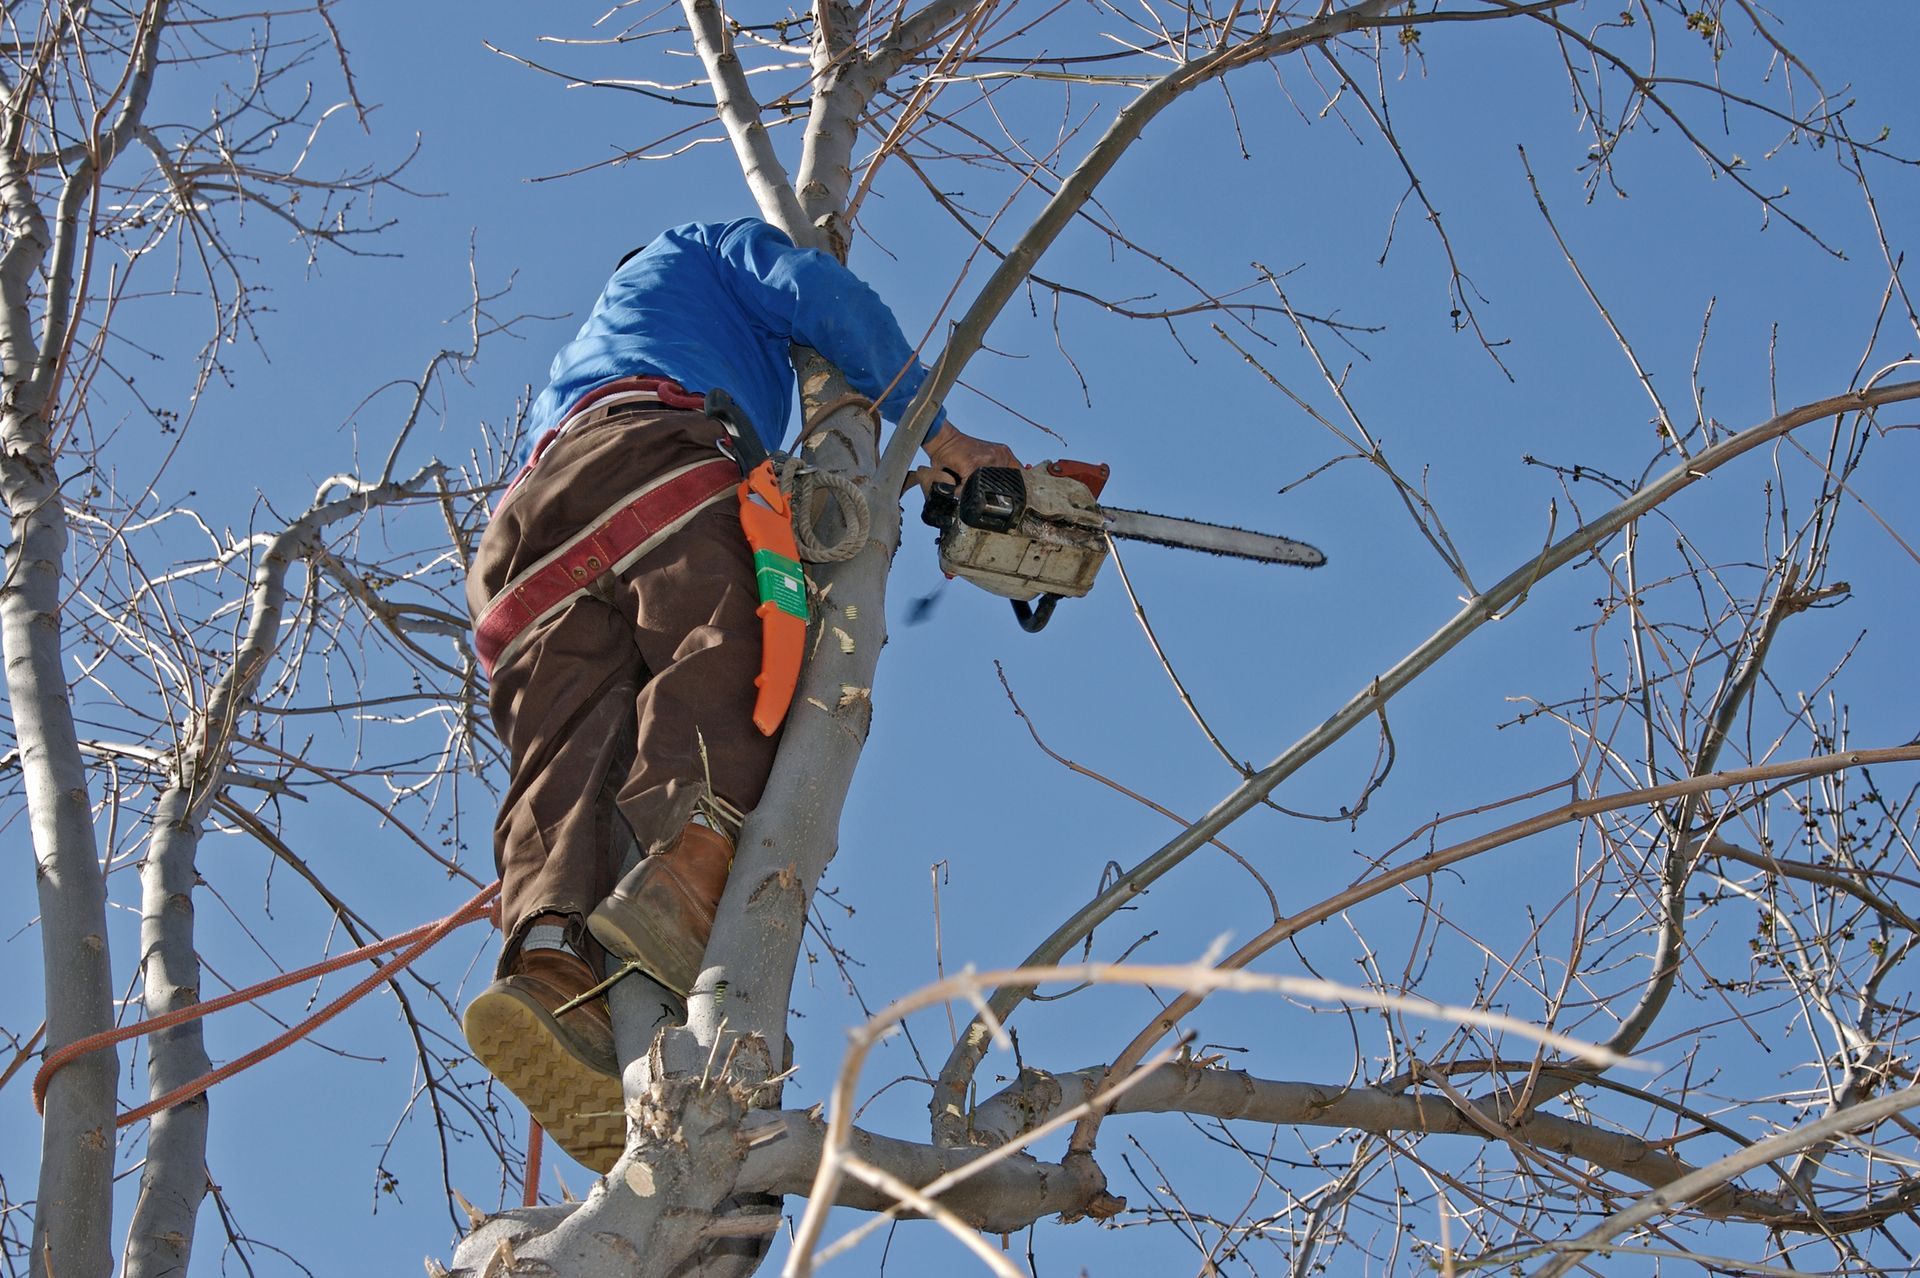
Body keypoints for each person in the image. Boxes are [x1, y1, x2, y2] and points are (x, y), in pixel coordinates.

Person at [461, 218, 1018, 1170]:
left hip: (520, 548)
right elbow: (821, 297)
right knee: (747, 659)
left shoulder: (592, 350)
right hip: (650, 458)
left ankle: (553, 959)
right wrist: (943, 429)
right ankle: (687, 871)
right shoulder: (696, 249)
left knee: (568, 756)